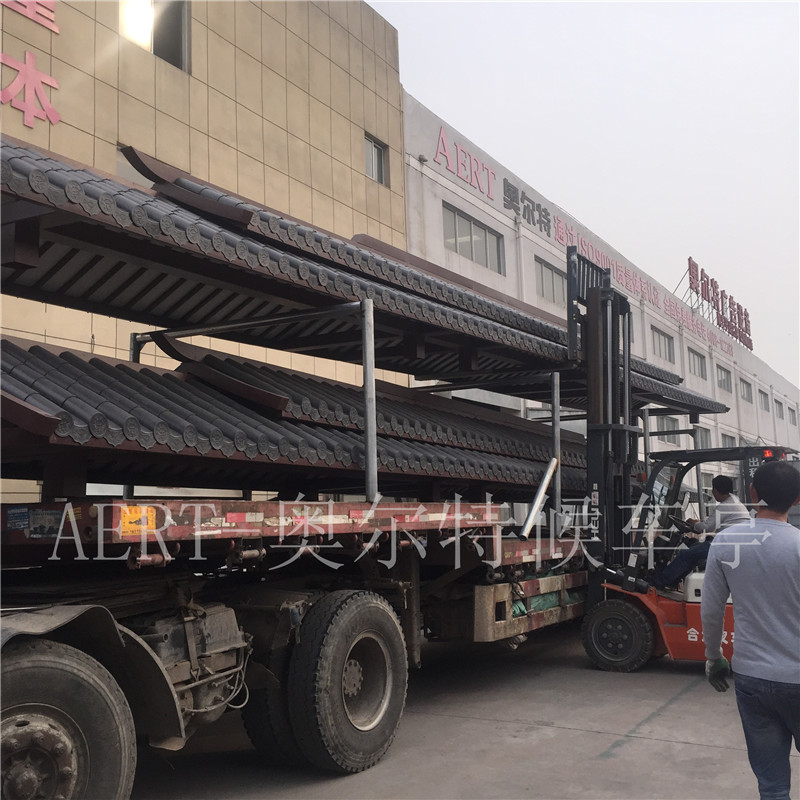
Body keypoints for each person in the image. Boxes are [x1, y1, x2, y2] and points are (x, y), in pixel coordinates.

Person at [701, 459, 800, 800]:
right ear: (797, 499)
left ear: (753, 493)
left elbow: (711, 610)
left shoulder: (726, 542)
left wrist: (713, 657)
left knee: (772, 785)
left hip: (752, 679)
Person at [652, 475, 750, 589]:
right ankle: (672, 582)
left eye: (712, 489)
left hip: (726, 546)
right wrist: (698, 523)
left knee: (686, 554)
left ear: (715, 490)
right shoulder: (734, 501)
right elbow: (710, 524)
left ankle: (657, 583)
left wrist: (693, 523)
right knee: (694, 548)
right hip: (734, 544)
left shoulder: (725, 506)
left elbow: (706, 528)